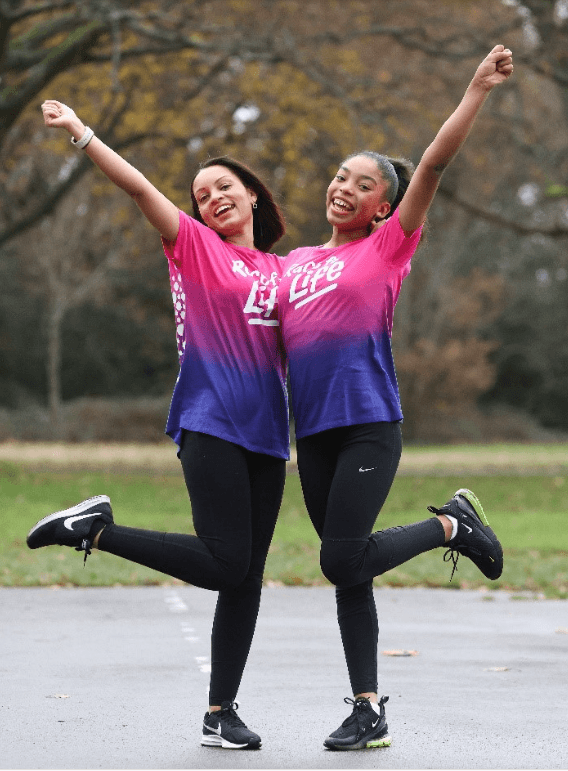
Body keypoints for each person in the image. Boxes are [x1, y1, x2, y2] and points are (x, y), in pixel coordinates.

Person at [26, 101, 290, 750]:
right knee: (228, 562)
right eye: (202, 194)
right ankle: (97, 528)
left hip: (268, 437)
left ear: (252, 193)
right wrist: (83, 133)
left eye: (225, 185)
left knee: (246, 574)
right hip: (211, 422)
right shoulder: (192, 246)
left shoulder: (283, 273)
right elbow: (141, 186)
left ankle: (220, 712)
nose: (213, 197)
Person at [278, 45, 513, 751]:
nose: (345, 187)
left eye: (362, 183)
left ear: (384, 204)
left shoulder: (386, 250)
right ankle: (367, 708)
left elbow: (435, 162)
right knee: (351, 567)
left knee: (340, 558)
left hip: (368, 426)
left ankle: (452, 526)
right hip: (312, 434)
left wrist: (473, 88)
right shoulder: (294, 264)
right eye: (339, 176)